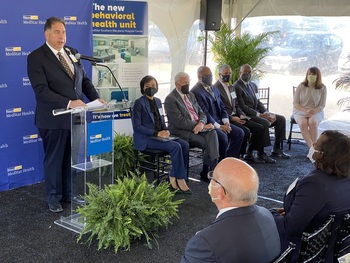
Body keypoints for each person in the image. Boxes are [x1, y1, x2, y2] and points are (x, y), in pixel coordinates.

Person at [27, 17, 106, 213]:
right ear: (47, 34)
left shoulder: (71, 53)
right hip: (53, 118)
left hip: (76, 118)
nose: (62, 36)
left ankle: (69, 194)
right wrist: (69, 102)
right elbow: (41, 90)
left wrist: (96, 99)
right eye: (57, 32)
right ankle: (53, 198)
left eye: (64, 32)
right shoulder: (37, 57)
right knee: (54, 160)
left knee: (71, 160)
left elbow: (84, 81)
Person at [180, 157, 281, 262]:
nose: (210, 181)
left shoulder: (204, 243)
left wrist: (206, 237)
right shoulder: (267, 215)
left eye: (213, 178)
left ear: (220, 191)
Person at [270, 130, 350, 262]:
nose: (312, 144)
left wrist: (270, 214)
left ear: (324, 155)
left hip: (301, 250)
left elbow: (290, 228)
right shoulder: (345, 178)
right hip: (330, 245)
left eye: (316, 145)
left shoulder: (315, 184)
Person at [132, 75, 191, 194]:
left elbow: (162, 121)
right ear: (143, 89)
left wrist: (166, 130)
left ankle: (173, 175)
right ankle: (180, 179)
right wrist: (156, 132)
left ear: (157, 87)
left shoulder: (158, 101)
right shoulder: (139, 103)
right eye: (147, 86)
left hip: (160, 136)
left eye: (153, 85)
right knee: (175, 146)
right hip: (147, 138)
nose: (150, 88)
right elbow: (137, 127)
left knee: (184, 145)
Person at [214, 64, 276, 164]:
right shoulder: (215, 88)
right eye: (226, 74)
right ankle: (235, 157)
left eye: (229, 73)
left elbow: (237, 105)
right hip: (226, 118)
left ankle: (248, 154)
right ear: (219, 75)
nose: (228, 75)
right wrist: (232, 118)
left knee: (259, 127)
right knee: (245, 131)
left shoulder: (230, 87)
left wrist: (242, 114)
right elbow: (219, 109)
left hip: (238, 116)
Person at [164, 72, 220, 182]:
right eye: (185, 83)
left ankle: (212, 171)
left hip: (198, 127)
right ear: (177, 84)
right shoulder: (171, 99)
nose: (187, 85)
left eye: (188, 82)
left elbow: (201, 113)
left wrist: (202, 124)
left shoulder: (190, 95)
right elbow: (179, 122)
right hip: (182, 132)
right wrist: (198, 126)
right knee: (208, 143)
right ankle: (213, 172)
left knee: (213, 133)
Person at [233, 64, 291, 159]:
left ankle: (277, 149)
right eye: (245, 72)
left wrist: (266, 113)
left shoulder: (253, 85)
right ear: (240, 73)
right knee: (264, 122)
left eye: (249, 72)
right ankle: (261, 153)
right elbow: (242, 107)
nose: (247, 74)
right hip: (248, 115)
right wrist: (260, 115)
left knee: (280, 119)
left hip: (258, 113)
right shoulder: (237, 86)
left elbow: (258, 102)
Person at [191, 66, 244, 161]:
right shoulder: (195, 91)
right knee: (223, 137)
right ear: (199, 76)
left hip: (220, 120)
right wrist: (219, 127)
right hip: (208, 124)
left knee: (239, 133)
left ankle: (229, 160)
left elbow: (222, 107)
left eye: (211, 74)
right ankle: (220, 165)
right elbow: (204, 113)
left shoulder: (214, 88)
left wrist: (226, 122)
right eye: (207, 75)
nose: (210, 77)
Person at [293, 67, 327, 151]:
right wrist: (305, 110)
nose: (311, 76)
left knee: (313, 122)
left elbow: (322, 105)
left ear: (317, 76)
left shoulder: (323, 87)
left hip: (316, 111)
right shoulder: (301, 86)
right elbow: (295, 103)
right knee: (303, 123)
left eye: (313, 74)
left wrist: (313, 111)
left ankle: (314, 147)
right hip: (300, 110)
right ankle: (312, 148)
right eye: (309, 74)